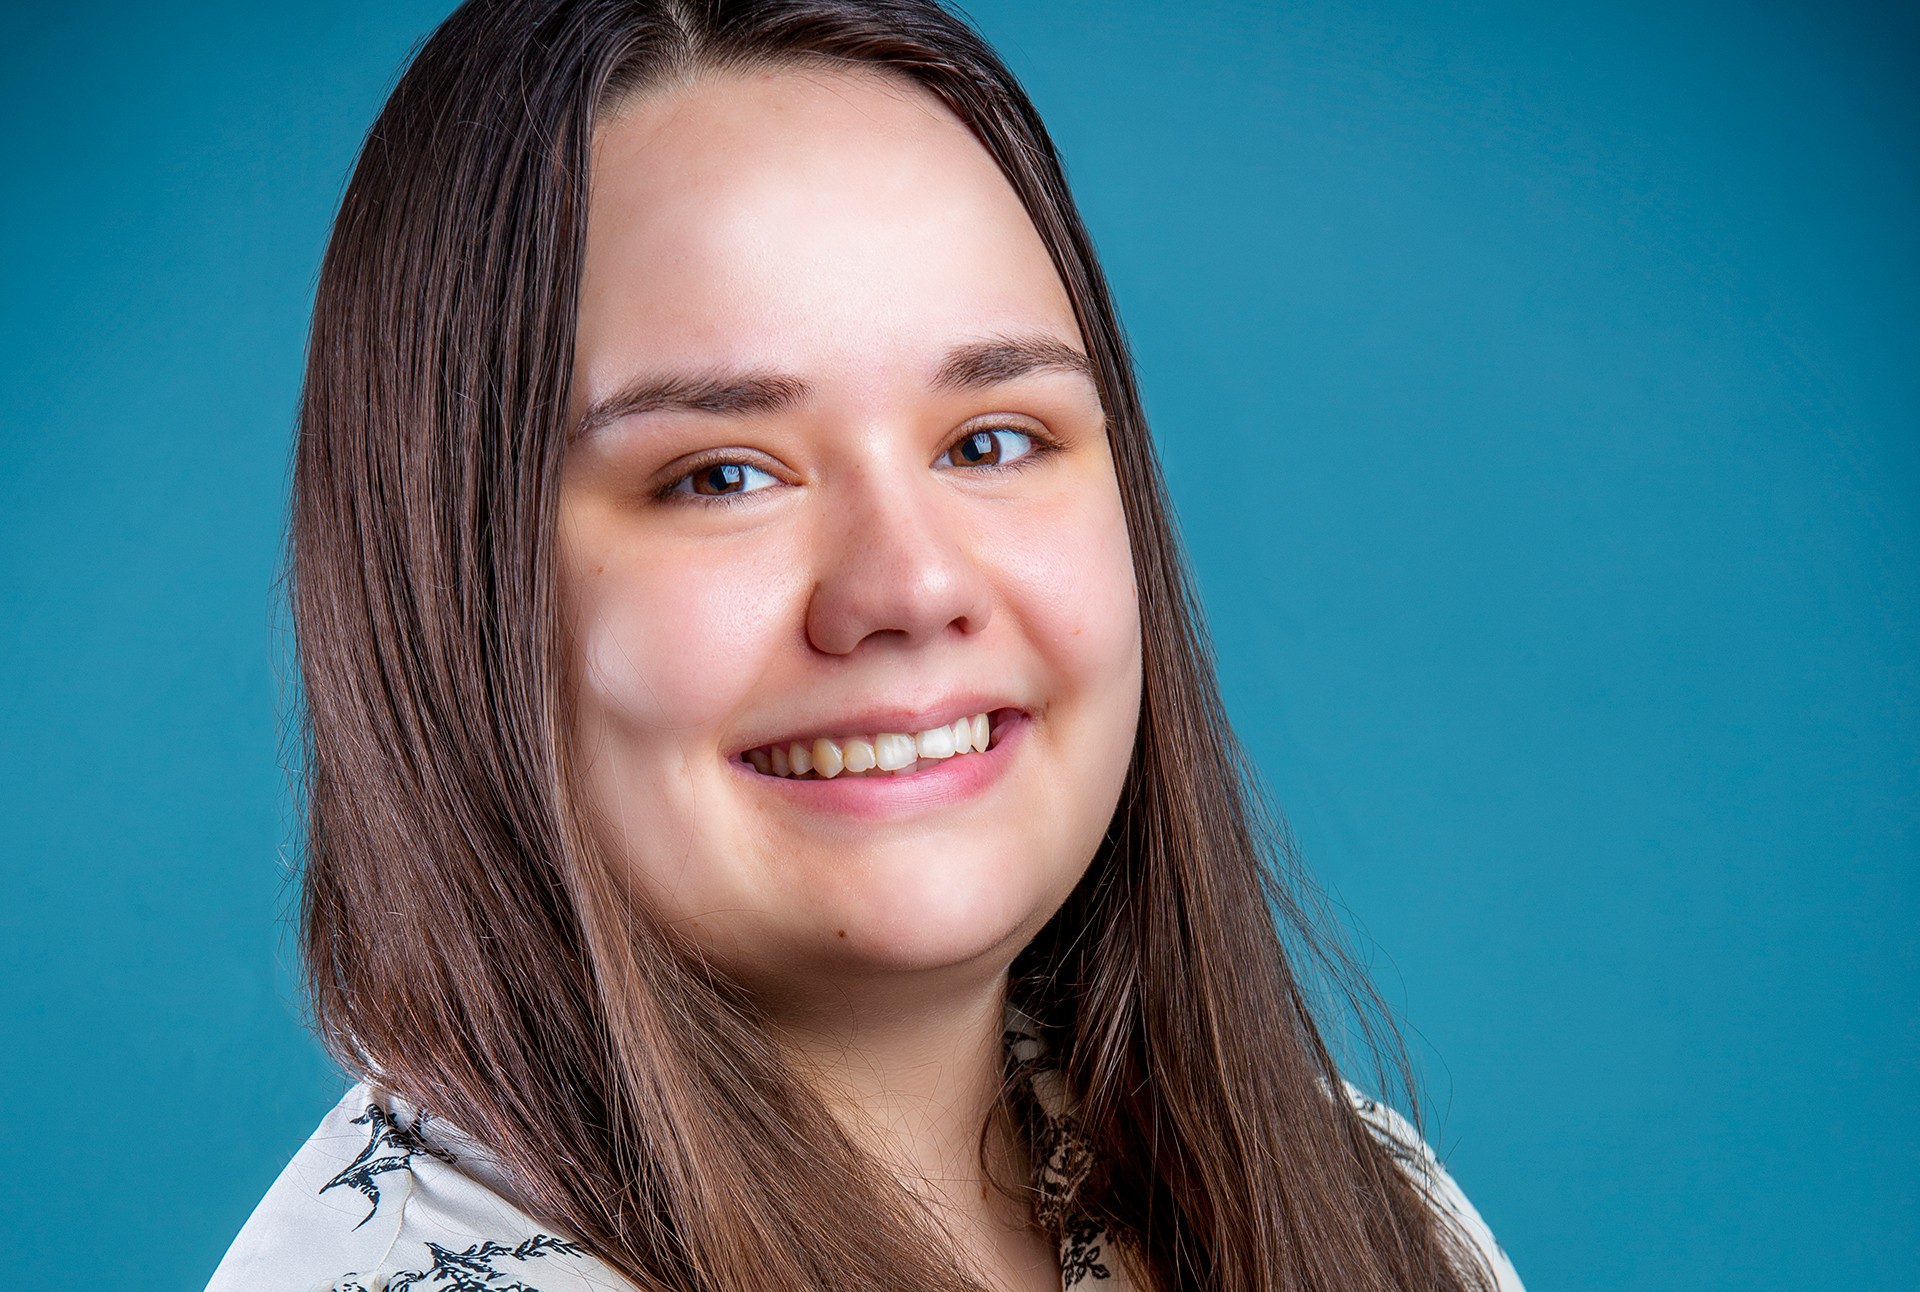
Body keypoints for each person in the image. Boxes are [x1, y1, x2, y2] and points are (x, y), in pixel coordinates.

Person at [208, 2, 1526, 1289]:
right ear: (449, 586)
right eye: (722, 474)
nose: (912, 584)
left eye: (992, 440)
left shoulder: (1369, 1203)